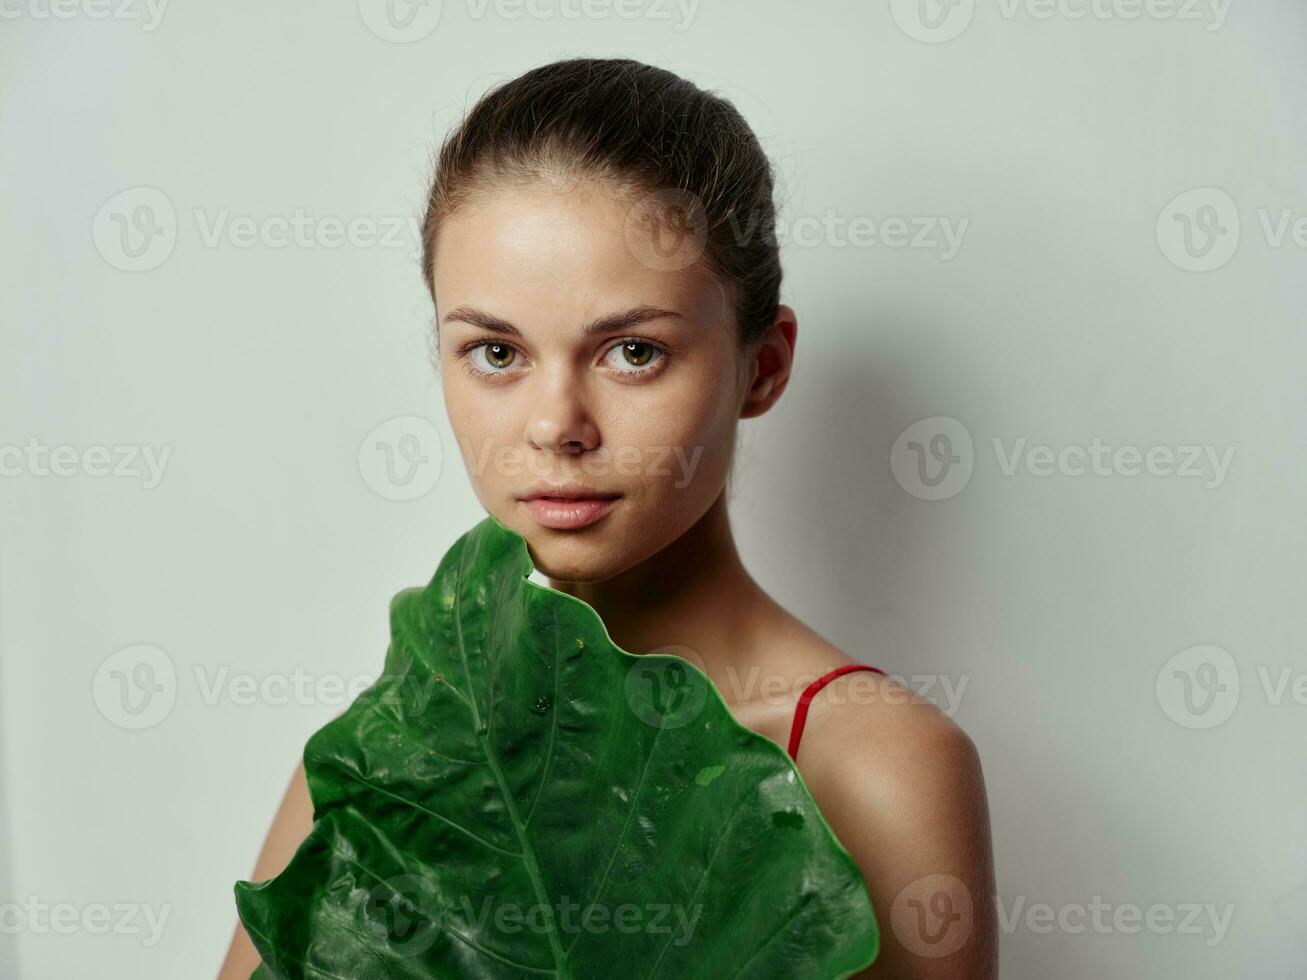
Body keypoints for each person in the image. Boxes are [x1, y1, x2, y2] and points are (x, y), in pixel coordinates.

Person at [218, 56, 997, 979]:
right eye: (495, 351)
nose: (556, 426)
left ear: (763, 365)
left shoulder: (880, 769)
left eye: (633, 351)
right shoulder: (395, 754)